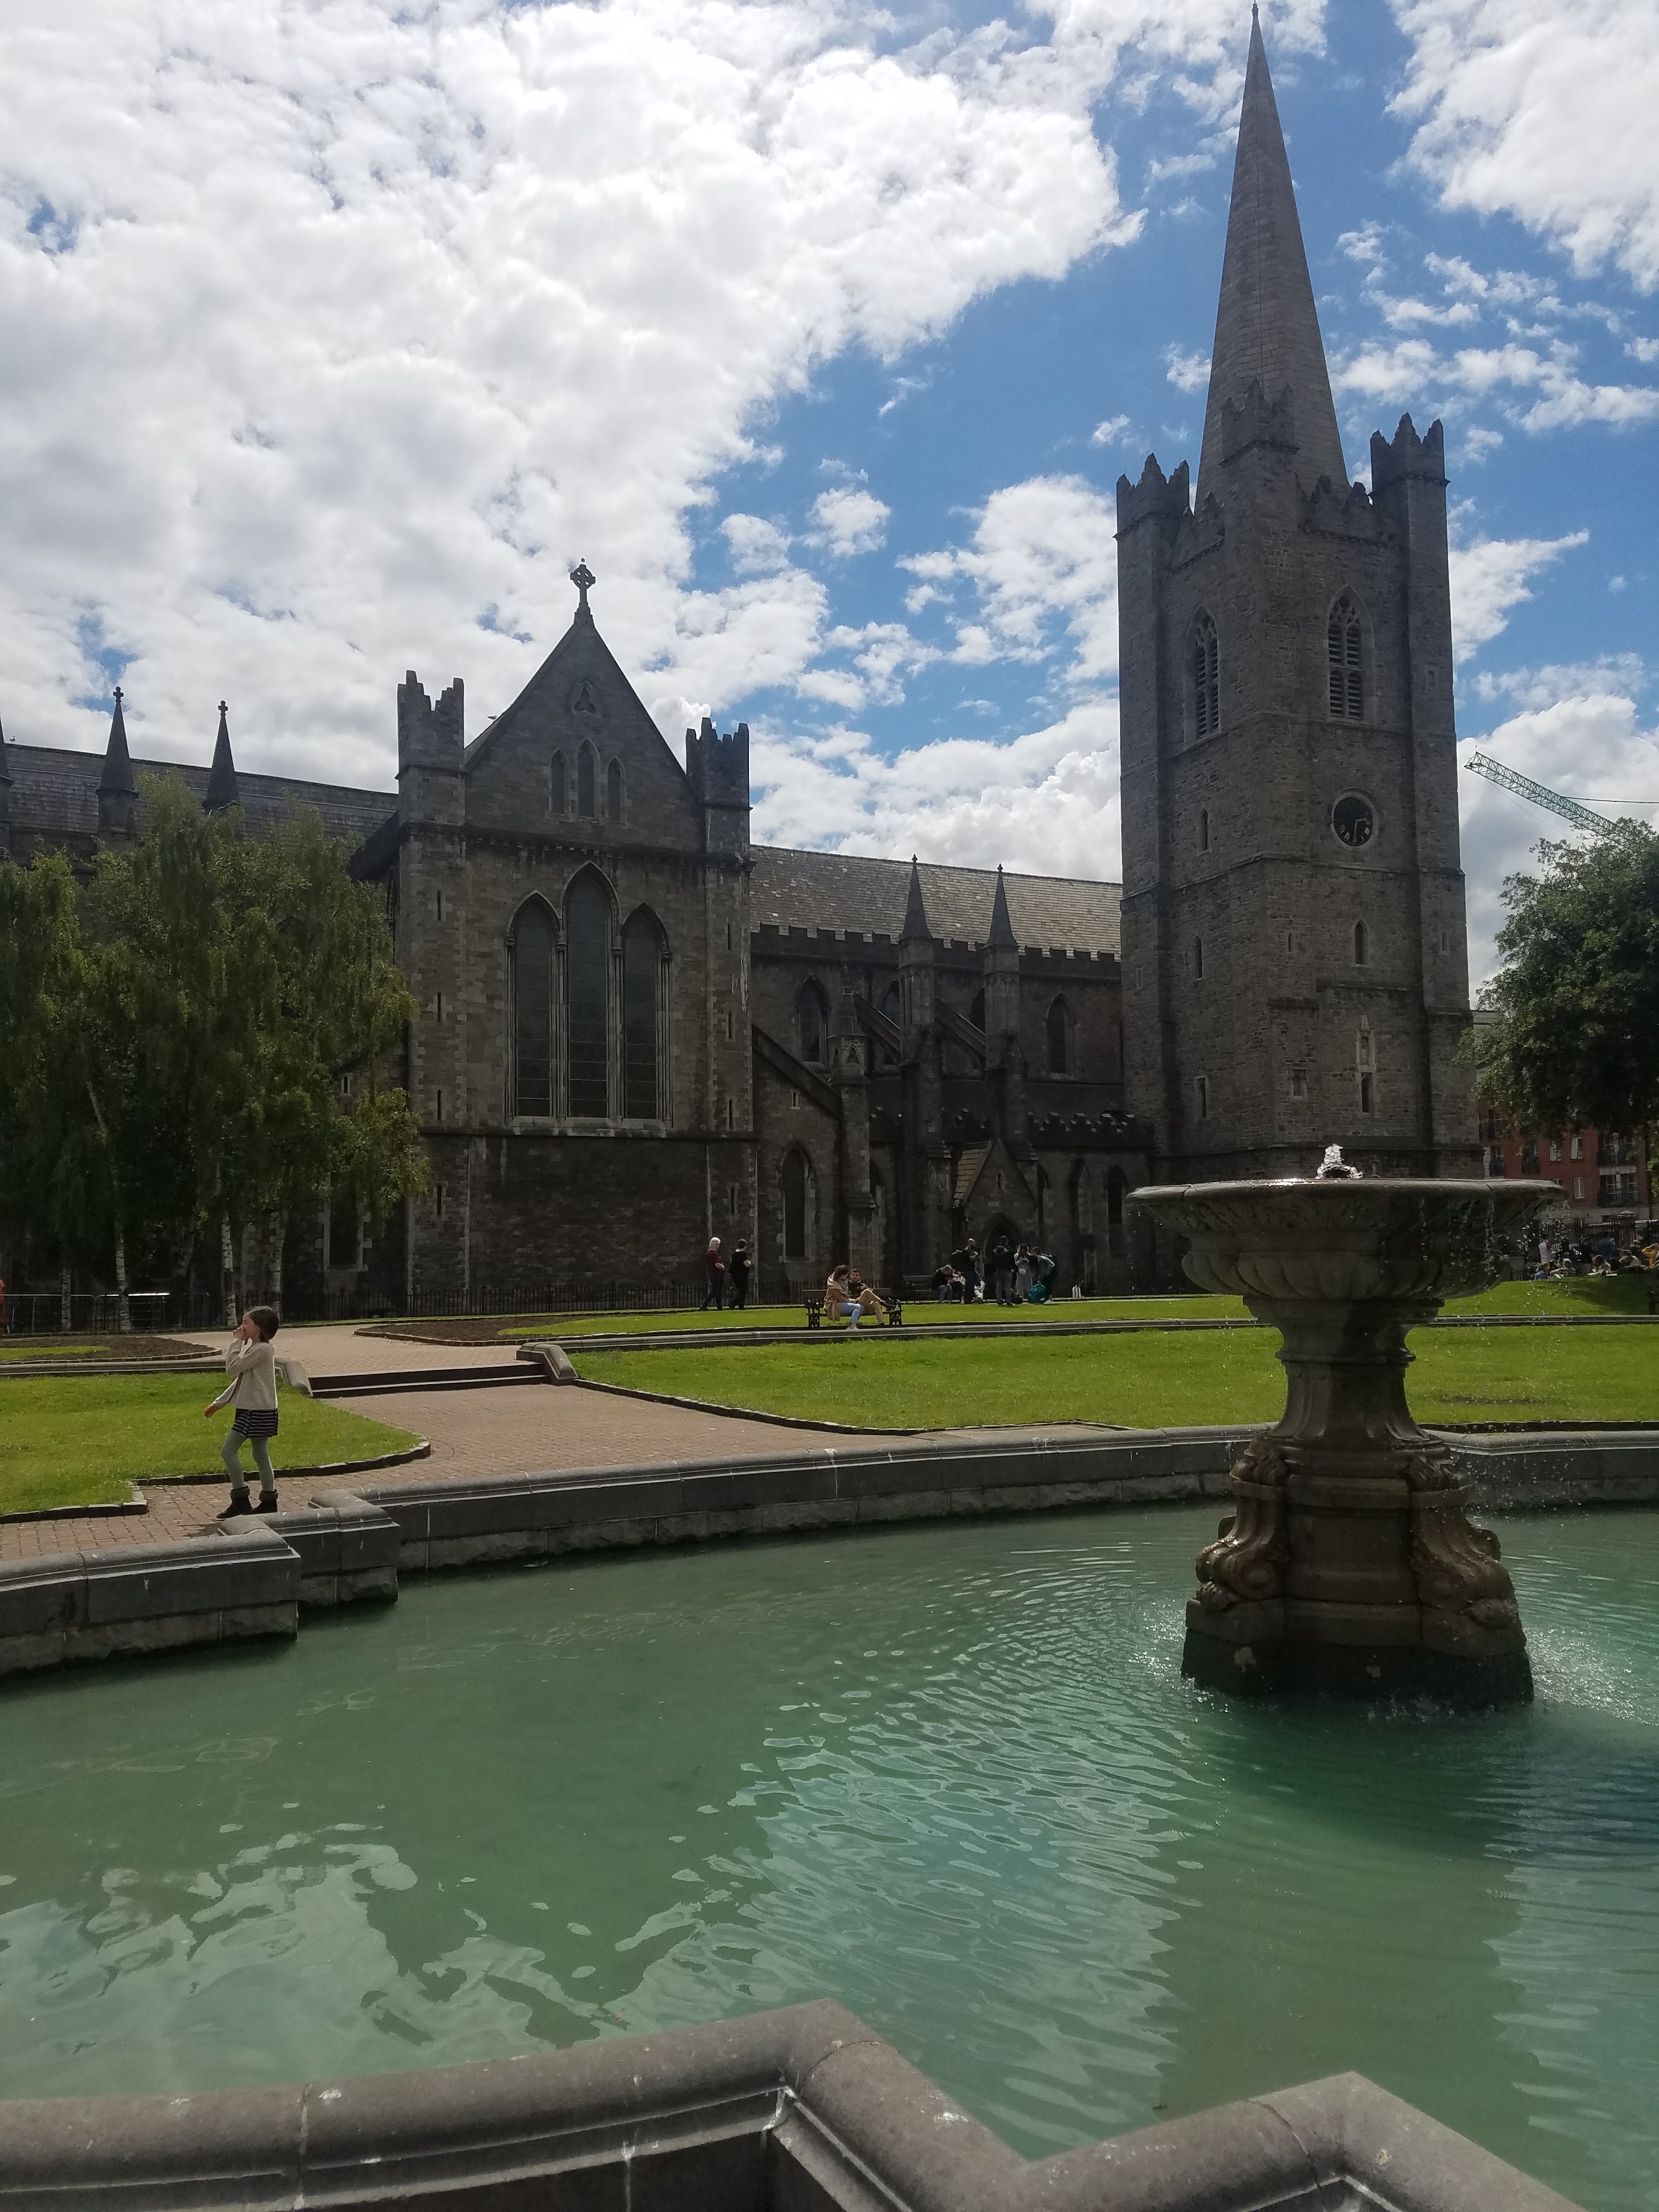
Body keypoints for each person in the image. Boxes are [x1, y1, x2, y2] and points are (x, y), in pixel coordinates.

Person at [205, 1306, 282, 1517]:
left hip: (255, 1411)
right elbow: (242, 1380)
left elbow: (232, 1369)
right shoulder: (258, 1349)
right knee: (260, 1454)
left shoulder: (262, 1350)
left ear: (258, 1327)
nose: (241, 1327)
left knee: (228, 1451)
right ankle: (268, 1501)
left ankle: (241, 1499)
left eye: (246, 1323)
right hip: (257, 1409)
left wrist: (236, 1341)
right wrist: (219, 1403)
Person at [700, 1237, 726, 1311]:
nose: (718, 1246)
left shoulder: (709, 1253)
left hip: (714, 1274)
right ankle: (704, 1305)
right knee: (715, 1292)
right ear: (714, 1244)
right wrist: (722, 1267)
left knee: (719, 1291)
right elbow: (717, 1265)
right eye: (717, 1244)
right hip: (716, 1274)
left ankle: (719, 1306)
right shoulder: (713, 1254)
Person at [727, 1238, 752, 1311]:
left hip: (735, 1275)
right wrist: (749, 1262)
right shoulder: (743, 1254)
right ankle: (734, 1304)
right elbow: (746, 1264)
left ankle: (741, 1305)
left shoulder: (734, 1254)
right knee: (743, 1291)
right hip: (742, 1275)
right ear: (745, 1246)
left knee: (740, 1290)